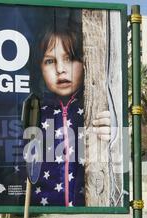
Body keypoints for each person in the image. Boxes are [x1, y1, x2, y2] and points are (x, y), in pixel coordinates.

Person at [28, 12, 110, 207]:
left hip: (90, 216)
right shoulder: (33, 112)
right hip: (43, 216)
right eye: (50, 61)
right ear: (39, 67)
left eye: (70, 58)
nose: (60, 69)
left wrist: (116, 135)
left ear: (86, 62)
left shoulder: (97, 109)